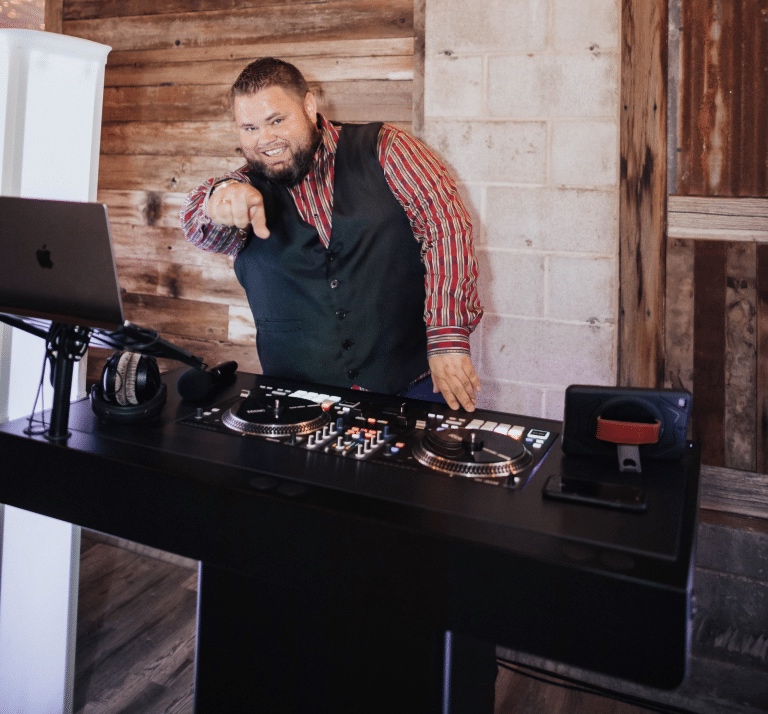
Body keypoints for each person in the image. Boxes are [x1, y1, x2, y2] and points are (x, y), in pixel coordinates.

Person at [180, 57, 483, 412]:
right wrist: (215, 200)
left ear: (309, 107)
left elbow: (445, 226)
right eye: (249, 128)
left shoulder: (387, 148)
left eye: (276, 120)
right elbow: (202, 230)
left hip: (411, 387)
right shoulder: (244, 189)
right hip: (296, 402)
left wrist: (447, 340)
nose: (265, 139)